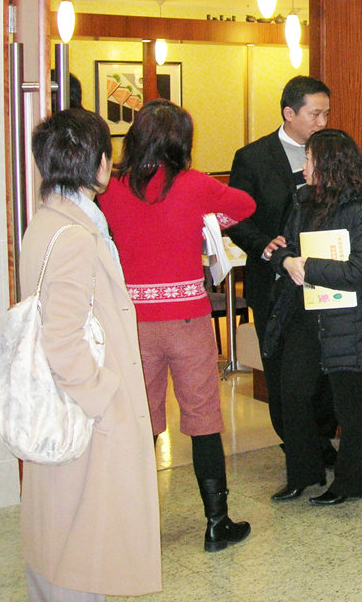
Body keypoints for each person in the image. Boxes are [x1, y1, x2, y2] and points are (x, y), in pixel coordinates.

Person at [99, 100, 256, 552]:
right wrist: (209, 219)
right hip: (187, 318)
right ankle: (216, 524)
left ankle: (132, 529)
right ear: (181, 142)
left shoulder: (112, 189)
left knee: (142, 423)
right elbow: (245, 205)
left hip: (134, 323)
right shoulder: (194, 185)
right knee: (203, 419)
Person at [18, 109, 160, 601]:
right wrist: (104, 398)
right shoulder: (77, 236)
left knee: (63, 533)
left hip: (64, 406)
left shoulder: (48, 221)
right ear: (98, 163)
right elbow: (62, 338)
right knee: (84, 546)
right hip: (85, 411)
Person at [226, 76, 339, 487]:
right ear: (289, 113)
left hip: (322, 281)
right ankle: (297, 446)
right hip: (274, 283)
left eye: (326, 113)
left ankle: (320, 439)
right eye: (315, 114)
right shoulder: (253, 158)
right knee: (281, 372)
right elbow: (235, 218)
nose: (322, 122)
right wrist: (265, 246)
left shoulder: (331, 153)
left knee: (325, 370)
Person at [268, 129, 362, 505]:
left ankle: (351, 482)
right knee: (293, 395)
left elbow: (360, 270)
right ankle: (303, 474)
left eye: (309, 161)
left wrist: (307, 265)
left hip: (346, 320)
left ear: (330, 166)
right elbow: (285, 246)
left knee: (348, 407)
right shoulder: (303, 202)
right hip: (304, 316)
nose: (303, 168)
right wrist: (282, 258)